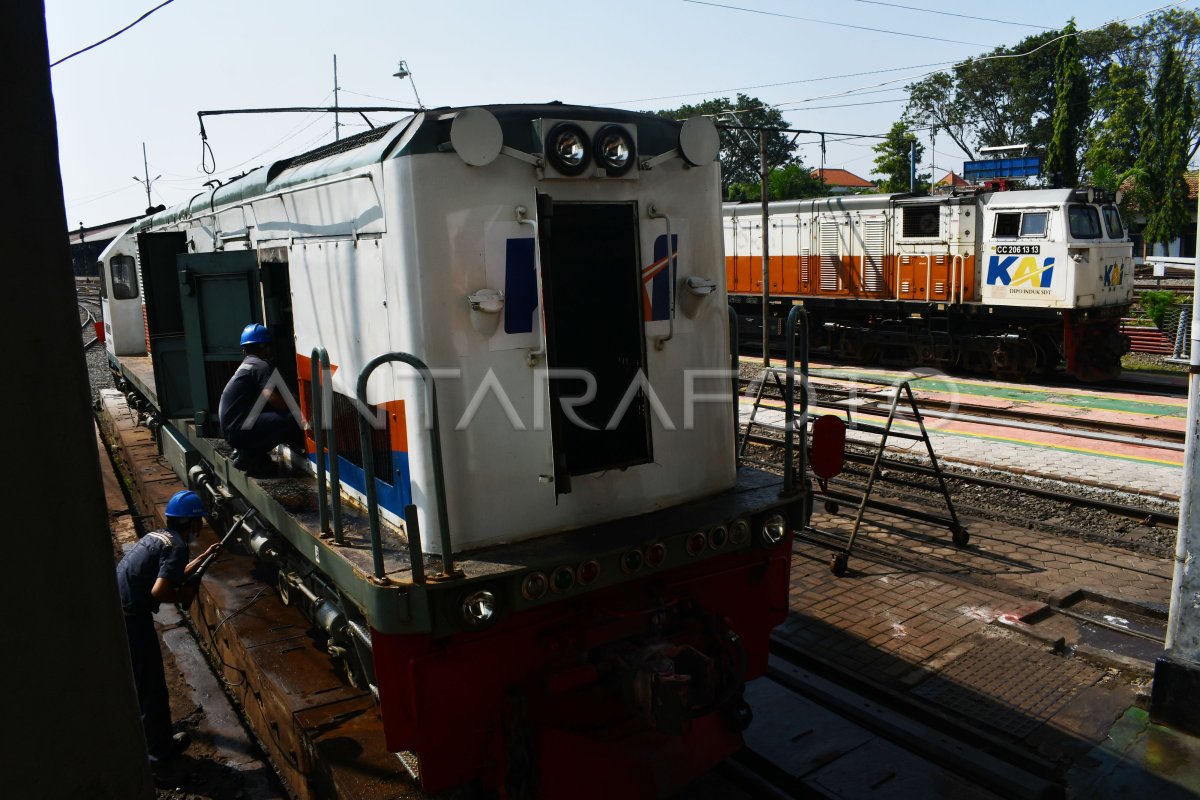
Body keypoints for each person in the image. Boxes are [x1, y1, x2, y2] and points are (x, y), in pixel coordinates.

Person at [116, 490, 222, 765]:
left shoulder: (159, 537)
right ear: (191, 522)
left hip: (120, 608)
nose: (201, 525)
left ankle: (157, 741)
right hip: (132, 618)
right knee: (151, 687)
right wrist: (184, 597)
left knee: (145, 683)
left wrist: (204, 557)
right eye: (199, 520)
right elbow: (161, 589)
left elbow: (170, 572)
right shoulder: (177, 546)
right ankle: (160, 759)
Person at [218, 323, 304, 473]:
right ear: (265, 347)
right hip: (239, 429)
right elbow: (273, 399)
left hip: (231, 429)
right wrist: (300, 409)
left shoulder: (247, 364)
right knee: (291, 419)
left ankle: (244, 450)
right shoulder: (261, 366)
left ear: (245, 348)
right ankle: (249, 455)